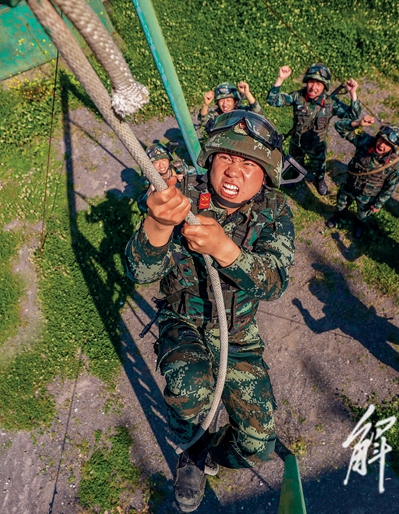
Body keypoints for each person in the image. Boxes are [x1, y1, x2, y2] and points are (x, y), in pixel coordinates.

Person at [124, 111, 294, 512]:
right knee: (190, 391)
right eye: (226, 158)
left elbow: (274, 283)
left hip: (238, 333)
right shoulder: (182, 194)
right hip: (184, 319)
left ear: (266, 175)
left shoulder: (274, 212)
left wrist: (225, 250)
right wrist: (158, 223)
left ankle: (214, 453)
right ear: (211, 159)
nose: (234, 171)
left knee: (258, 445)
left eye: (249, 164)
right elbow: (140, 272)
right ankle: (195, 454)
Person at [267, 63, 361, 195]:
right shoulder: (298, 96)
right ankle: (295, 176)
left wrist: (353, 93)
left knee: (319, 165)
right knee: (296, 161)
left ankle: (320, 180)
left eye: (318, 84)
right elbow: (272, 100)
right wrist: (280, 78)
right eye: (311, 82)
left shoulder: (331, 103)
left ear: (324, 86)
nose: (313, 87)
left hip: (317, 145)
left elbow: (353, 116)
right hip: (297, 142)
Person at [325, 115, 399, 238]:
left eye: (387, 144)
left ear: (394, 148)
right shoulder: (366, 142)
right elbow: (339, 127)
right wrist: (358, 123)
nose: (381, 145)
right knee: (341, 204)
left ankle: (359, 224)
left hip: (368, 196)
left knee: (363, 214)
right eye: (381, 139)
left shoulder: (395, 164)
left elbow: (390, 186)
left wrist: (378, 204)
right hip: (350, 185)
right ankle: (339, 217)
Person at [137, 143, 197, 214]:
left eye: (163, 159)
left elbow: (200, 183)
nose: (161, 165)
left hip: (193, 209)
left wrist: (187, 179)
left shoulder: (180, 168)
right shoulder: (150, 180)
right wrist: (151, 190)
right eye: (155, 162)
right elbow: (143, 208)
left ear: (169, 160)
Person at [198, 81, 263, 133]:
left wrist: (247, 94)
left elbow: (258, 113)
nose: (225, 104)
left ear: (235, 101)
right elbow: (203, 122)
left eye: (228, 100)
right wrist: (206, 104)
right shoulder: (216, 115)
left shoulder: (242, 112)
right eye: (221, 101)